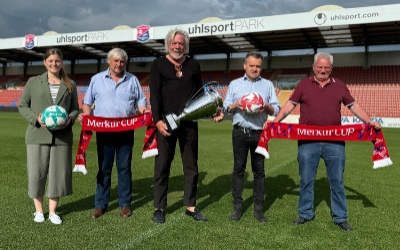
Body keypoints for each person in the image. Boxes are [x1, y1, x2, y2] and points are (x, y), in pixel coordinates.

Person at [272, 51, 381, 231]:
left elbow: (354, 106)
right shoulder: (303, 84)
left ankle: (340, 217)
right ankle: (305, 213)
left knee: (337, 180)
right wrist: (275, 123)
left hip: (334, 143)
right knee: (306, 179)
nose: (322, 71)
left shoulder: (340, 86)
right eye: (319, 67)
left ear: (331, 68)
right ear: (313, 67)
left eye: (326, 68)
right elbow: (290, 105)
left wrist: (369, 123)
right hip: (308, 142)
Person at [149, 28, 223, 223]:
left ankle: (191, 206)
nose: (177, 46)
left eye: (181, 43)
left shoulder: (193, 64)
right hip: (166, 123)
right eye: (174, 43)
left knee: (191, 166)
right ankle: (160, 208)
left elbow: (200, 95)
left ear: (185, 45)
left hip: (189, 124)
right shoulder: (158, 65)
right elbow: (154, 95)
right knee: (162, 166)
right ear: (168, 44)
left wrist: (211, 111)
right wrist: (157, 120)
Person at [78, 48, 147, 219]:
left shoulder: (133, 80)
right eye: (115, 60)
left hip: (126, 130)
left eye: (122, 61)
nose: (119, 64)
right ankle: (100, 204)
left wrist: (145, 111)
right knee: (104, 169)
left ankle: (125, 204)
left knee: (124, 169)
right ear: (109, 61)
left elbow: (141, 102)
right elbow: (87, 103)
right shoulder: (96, 79)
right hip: (104, 131)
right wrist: (86, 115)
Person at [19, 48, 79, 225]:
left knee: (58, 175)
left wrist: (70, 118)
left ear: (62, 62)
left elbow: (75, 108)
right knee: (36, 174)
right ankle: (39, 211)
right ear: (45, 62)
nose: (54, 64)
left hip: (62, 138)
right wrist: (36, 118)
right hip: (37, 135)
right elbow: (23, 106)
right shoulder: (33, 82)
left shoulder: (70, 84)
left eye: (57, 61)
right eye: (50, 61)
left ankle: (52, 212)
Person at [223, 51, 280, 223]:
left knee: (259, 171)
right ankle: (237, 207)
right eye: (252, 65)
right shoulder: (234, 84)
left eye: (258, 66)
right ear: (245, 65)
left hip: (259, 133)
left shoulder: (268, 85)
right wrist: (236, 104)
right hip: (240, 132)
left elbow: (276, 109)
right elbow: (226, 108)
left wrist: (266, 106)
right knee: (238, 170)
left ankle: (258, 209)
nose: (255, 69)